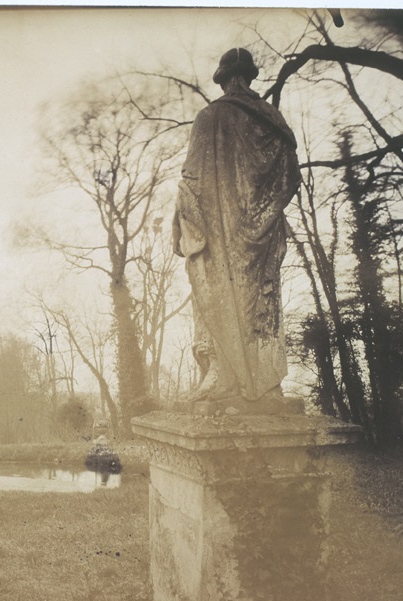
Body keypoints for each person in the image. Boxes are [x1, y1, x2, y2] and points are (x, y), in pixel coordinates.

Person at [174, 48, 301, 402]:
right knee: (261, 302)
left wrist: (182, 222)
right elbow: (290, 177)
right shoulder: (274, 121)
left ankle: (223, 377)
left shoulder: (210, 118)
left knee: (214, 296)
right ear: (250, 77)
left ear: (224, 79)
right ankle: (266, 382)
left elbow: (192, 178)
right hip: (261, 231)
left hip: (218, 233)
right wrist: (261, 216)